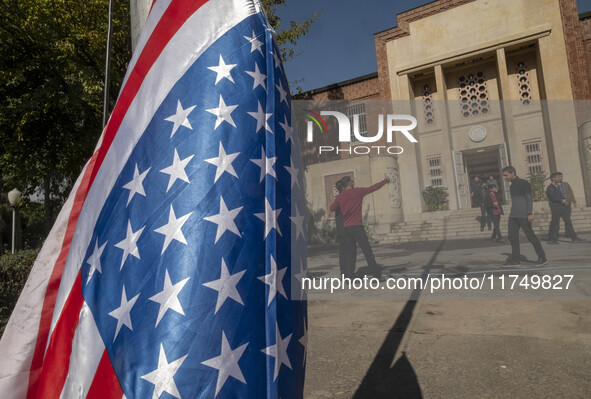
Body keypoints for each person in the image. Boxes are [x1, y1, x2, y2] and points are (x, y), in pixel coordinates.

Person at [330, 175, 390, 278]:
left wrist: (340, 202)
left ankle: (350, 276)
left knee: (350, 253)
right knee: (367, 250)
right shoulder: (358, 191)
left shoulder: (340, 197)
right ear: (351, 183)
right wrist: (386, 180)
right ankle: (376, 274)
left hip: (346, 228)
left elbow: (332, 208)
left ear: (343, 186)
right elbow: (373, 187)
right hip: (357, 226)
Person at [502, 166, 547, 266]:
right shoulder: (512, 185)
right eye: (504, 176)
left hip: (523, 215)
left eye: (506, 175)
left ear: (513, 173)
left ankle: (542, 257)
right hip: (513, 215)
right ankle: (515, 259)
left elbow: (529, 198)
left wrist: (529, 213)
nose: (505, 177)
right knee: (512, 237)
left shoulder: (523, 183)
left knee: (531, 236)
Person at [546, 172, 585, 244]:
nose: (560, 178)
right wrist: (562, 200)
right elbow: (553, 197)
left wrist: (565, 201)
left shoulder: (557, 187)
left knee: (568, 222)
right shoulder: (550, 188)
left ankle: (574, 238)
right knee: (555, 223)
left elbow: (562, 195)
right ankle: (552, 239)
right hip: (556, 208)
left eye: (560, 177)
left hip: (562, 207)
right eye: (558, 177)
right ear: (553, 178)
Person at [334, 179, 356, 276]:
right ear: (343, 188)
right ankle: (349, 274)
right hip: (347, 229)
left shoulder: (338, 198)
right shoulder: (343, 199)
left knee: (343, 253)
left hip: (342, 230)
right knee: (350, 252)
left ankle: (344, 274)